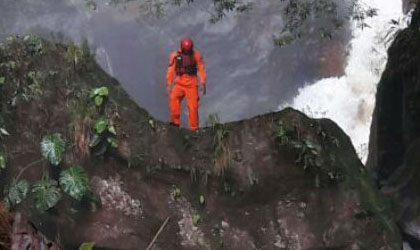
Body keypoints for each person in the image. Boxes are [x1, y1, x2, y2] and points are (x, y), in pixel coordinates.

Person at [166, 37, 207, 130]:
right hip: (179, 82)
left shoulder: (196, 55)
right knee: (173, 99)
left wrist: (203, 82)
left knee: (193, 107)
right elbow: (171, 69)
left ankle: (194, 128)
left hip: (192, 83)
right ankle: (175, 123)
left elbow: (201, 68)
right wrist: (169, 83)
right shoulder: (175, 56)